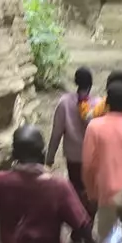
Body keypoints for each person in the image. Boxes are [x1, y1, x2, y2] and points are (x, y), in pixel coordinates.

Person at [82, 81, 122, 243]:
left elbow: (88, 164)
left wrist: (91, 192)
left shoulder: (94, 127)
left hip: (105, 191)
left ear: (107, 104)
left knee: (105, 242)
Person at [48, 66, 95, 212]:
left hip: (73, 156)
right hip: (93, 157)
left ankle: (77, 218)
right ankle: (87, 222)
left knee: (75, 188)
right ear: (91, 84)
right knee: (91, 190)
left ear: (75, 82)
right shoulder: (99, 104)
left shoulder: (64, 103)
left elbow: (56, 134)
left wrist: (50, 157)